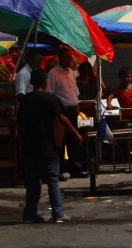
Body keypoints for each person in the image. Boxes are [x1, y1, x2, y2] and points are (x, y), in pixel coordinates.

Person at [18, 68, 82, 223]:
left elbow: (19, 122)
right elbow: (62, 118)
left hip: (29, 147)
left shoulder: (25, 100)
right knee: (52, 179)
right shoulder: (50, 98)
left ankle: (30, 212)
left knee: (33, 181)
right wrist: (76, 133)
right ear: (45, 82)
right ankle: (57, 213)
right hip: (47, 146)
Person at [47, 48, 87, 178]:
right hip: (61, 110)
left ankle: (75, 168)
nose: (70, 60)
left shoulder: (71, 72)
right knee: (60, 141)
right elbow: (50, 93)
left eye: (71, 57)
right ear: (60, 58)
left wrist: (77, 106)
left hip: (72, 109)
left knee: (73, 140)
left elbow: (75, 91)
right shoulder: (53, 73)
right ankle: (58, 170)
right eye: (67, 57)